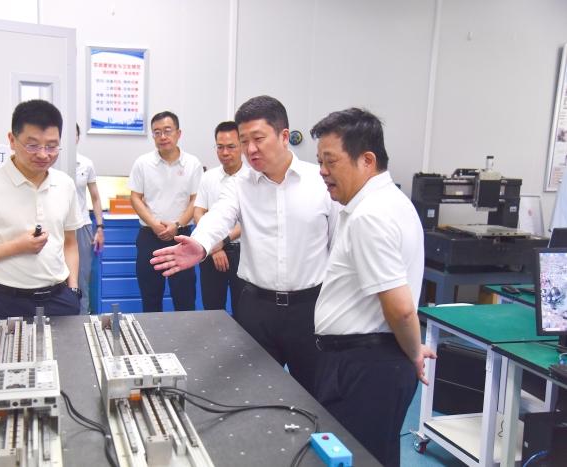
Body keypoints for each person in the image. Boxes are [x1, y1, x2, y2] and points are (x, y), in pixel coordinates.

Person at [151, 96, 339, 394]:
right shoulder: (240, 184)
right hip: (257, 308)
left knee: (313, 395)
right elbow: (220, 215)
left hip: (310, 310)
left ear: (284, 136)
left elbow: (339, 246)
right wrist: (200, 244)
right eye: (244, 141)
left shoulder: (320, 182)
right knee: (254, 393)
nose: (250, 149)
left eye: (258, 139)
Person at [310, 108, 436, 466]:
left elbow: (401, 309)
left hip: (365, 367)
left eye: (330, 161)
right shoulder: (389, 203)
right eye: (320, 162)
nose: (322, 171)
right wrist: (409, 348)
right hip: (371, 360)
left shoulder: (370, 216)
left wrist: (413, 352)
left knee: (360, 458)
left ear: (367, 160)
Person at [0, 99, 85, 319]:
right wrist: (17, 246)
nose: (43, 154)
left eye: (52, 146)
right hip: (4, 301)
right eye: (32, 145)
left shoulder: (65, 184)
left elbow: (70, 243)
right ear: (12, 140)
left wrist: (73, 289)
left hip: (59, 300)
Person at [129, 111, 202, 312]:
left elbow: (195, 199)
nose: (162, 136)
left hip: (182, 238)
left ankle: (185, 333)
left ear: (178, 133)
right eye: (157, 132)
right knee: (150, 298)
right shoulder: (143, 163)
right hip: (150, 236)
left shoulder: (193, 164)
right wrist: (154, 224)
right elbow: (135, 197)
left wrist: (177, 225)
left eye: (167, 131)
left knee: (185, 298)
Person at [194, 121, 247, 314]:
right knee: (212, 310)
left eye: (231, 146)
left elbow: (248, 222)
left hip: (244, 253)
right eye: (220, 147)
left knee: (244, 310)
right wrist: (214, 247)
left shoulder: (254, 177)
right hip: (211, 253)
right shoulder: (209, 177)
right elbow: (198, 212)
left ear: (242, 146)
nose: (225, 152)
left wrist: (219, 242)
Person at [74, 123, 105, 314]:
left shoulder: (85, 164)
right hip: (55, 228)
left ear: (78, 137)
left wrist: (100, 227)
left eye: (73, 134)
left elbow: (95, 197)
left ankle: (81, 319)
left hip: (81, 225)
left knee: (82, 278)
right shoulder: (48, 162)